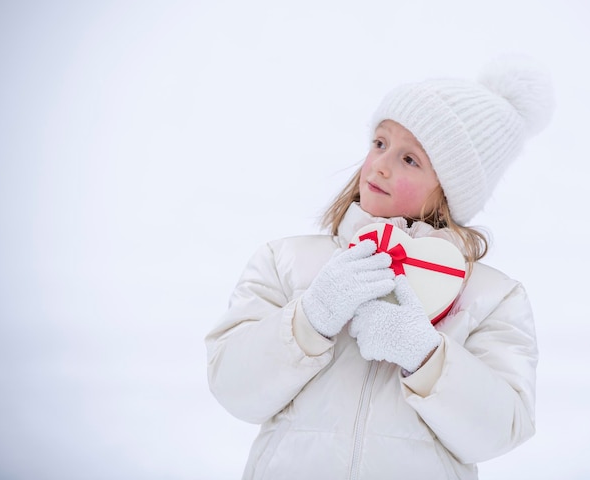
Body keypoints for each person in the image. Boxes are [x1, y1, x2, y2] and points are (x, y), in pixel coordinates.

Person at [205, 55, 554, 480]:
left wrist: (425, 355)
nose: (382, 165)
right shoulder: (286, 262)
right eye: (380, 142)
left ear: (449, 191)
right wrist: (310, 319)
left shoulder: (491, 297)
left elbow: (502, 430)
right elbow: (233, 389)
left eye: (411, 160)